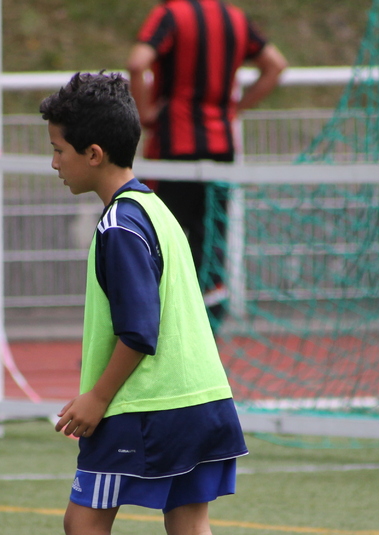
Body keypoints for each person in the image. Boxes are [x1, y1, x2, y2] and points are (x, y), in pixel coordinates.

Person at [40, 72, 249, 535]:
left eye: (58, 149)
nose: (54, 163)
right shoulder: (156, 209)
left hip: (146, 407)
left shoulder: (118, 226)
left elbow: (139, 328)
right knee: (190, 526)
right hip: (204, 398)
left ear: (93, 153)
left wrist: (95, 398)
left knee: (83, 522)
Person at [126, 0, 287, 329]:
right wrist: (235, 109)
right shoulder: (235, 18)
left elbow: (137, 62)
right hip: (220, 149)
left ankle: (151, 328)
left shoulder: (171, 15)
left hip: (173, 150)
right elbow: (276, 65)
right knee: (211, 243)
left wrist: (145, 114)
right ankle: (209, 332)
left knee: (159, 238)